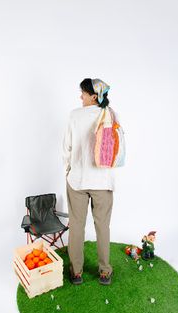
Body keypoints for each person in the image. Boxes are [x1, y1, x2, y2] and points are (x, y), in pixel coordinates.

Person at [62, 78, 119, 285]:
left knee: (77, 226)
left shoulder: (75, 116)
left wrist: (68, 169)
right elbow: (116, 149)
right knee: (102, 226)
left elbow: (66, 148)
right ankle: (105, 272)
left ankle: (76, 273)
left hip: (77, 179)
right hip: (103, 181)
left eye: (83, 93)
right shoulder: (110, 114)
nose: (81, 97)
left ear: (93, 96)